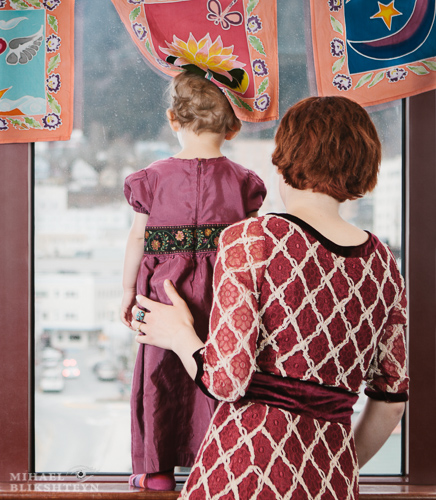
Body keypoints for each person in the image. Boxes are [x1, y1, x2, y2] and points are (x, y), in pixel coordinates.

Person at [130, 96, 409, 499]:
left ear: (284, 159)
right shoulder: (383, 264)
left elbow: (226, 380)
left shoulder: (252, 239)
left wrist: (178, 335)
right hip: (332, 483)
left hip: (243, 473)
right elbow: (391, 401)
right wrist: (331, 465)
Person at [121, 70, 267, 491]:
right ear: (233, 126)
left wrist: (127, 292)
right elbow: (252, 248)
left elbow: (137, 237)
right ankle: (217, 460)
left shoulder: (150, 179)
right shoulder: (245, 184)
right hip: (225, 297)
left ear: (173, 119)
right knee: (219, 372)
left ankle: (156, 470)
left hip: (163, 297)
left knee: (159, 374)